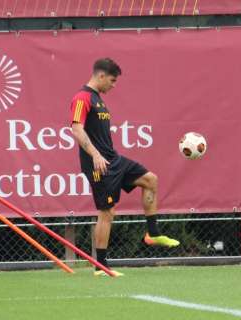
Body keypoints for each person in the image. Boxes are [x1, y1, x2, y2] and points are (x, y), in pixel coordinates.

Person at [70, 58, 180, 276]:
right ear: (100, 76)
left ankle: (153, 233)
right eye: (112, 80)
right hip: (99, 165)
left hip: (114, 160)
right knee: (107, 212)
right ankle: (100, 266)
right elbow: (77, 129)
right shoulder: (82, 98)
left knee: (151, 180)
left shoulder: (98, 99)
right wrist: (95, 155)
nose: (114, 85)